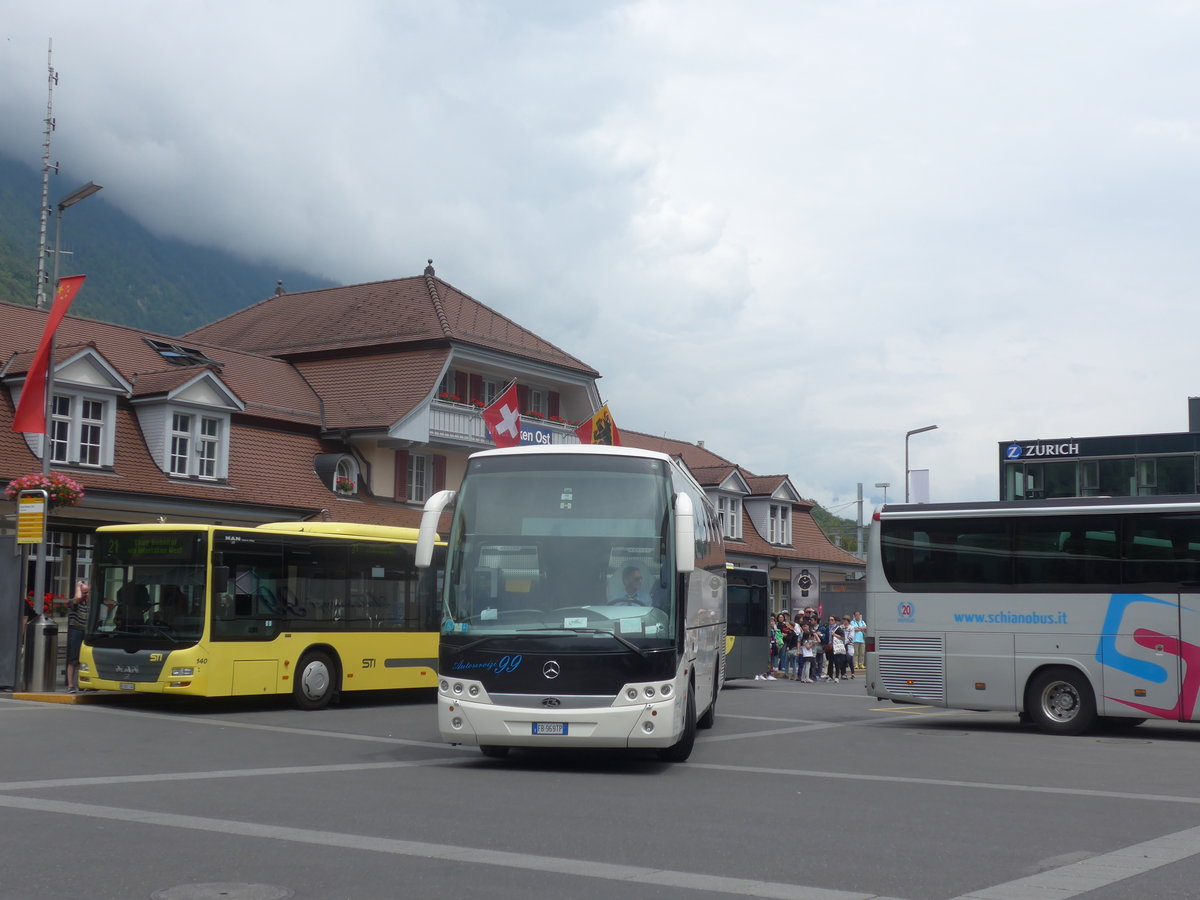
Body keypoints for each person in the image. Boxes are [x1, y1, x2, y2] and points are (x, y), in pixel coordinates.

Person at [66, 579, 89, 693]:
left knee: (84, 659)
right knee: (73, 659)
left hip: (85, 631)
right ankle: (70, 685)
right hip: (76, 630)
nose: (86, 595)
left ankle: (83, 683)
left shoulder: (89, 603)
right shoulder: (73, 602)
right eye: (84, 592)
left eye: (87, 592)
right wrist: (78, 586)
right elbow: (77, 599)